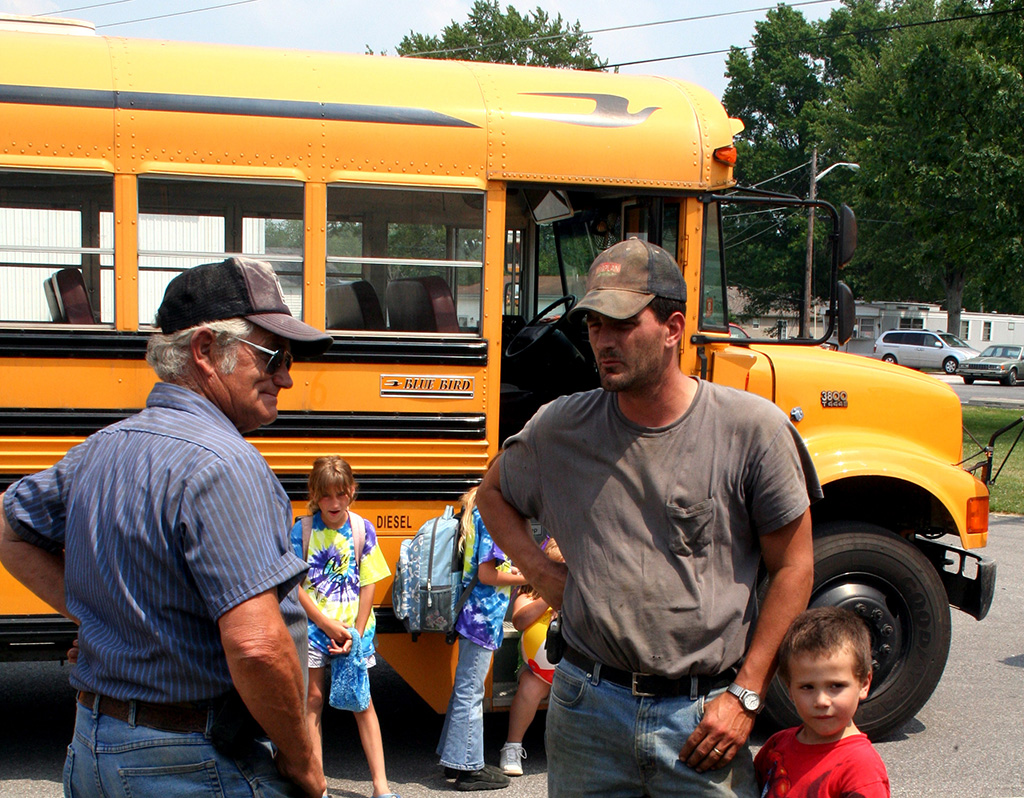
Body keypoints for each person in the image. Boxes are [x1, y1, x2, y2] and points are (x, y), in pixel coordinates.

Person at [476, 237, 821, 798]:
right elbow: (491, 494)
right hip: (587, 706)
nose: (603, 342)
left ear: (673, 327)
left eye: (622, 325)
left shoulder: (752, 430)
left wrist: (748, 694)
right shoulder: (560, 428)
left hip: (705, 718)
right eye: (593, 326)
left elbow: (796, 567)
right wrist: (541, 574)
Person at [0, 257, 333, 798]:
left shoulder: (100, 449)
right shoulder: (225, 464)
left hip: (92, 747)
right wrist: (304, 762)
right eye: (273, 356)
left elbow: (10, 530)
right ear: (204, 351)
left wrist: (107, 619)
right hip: (190, 762)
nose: (286, 377)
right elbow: (256, 646)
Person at [289, 456, 398, 798]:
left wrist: (356, 631)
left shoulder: (362, 529)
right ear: (314, 494)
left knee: (362, 702)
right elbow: (293, 585)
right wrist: (323, 621)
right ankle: (316, 785)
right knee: (313, 699)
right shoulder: (302, 530)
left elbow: (369, 583)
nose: (334, 503)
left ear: (352, 491)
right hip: (313, 629)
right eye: (325, 496)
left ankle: (381, 786)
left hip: (354, 631)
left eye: (341, 494)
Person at [437, 485, 527, 791]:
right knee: (471, 691)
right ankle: (467, 767)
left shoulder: (479, 510)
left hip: (472, 613)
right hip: (482, 617)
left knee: (465, 688)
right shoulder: (493, 516)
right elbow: (488, 574)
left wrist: (510, 569)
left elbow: (486, 567)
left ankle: (454, 761)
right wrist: (528, 575)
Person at [755, 607, 890, 797]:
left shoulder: (861, 769)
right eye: (807, 687)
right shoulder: (776, 746)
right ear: (789, 689)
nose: (821, 701)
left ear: (864, 684)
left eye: (836, 686)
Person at [499, 538, 565, 777]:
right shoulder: (530, 594)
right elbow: (518, 621)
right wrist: (549, 596)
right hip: (535, 668)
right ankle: (512, 746)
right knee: (529, 687)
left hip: (573, 667)